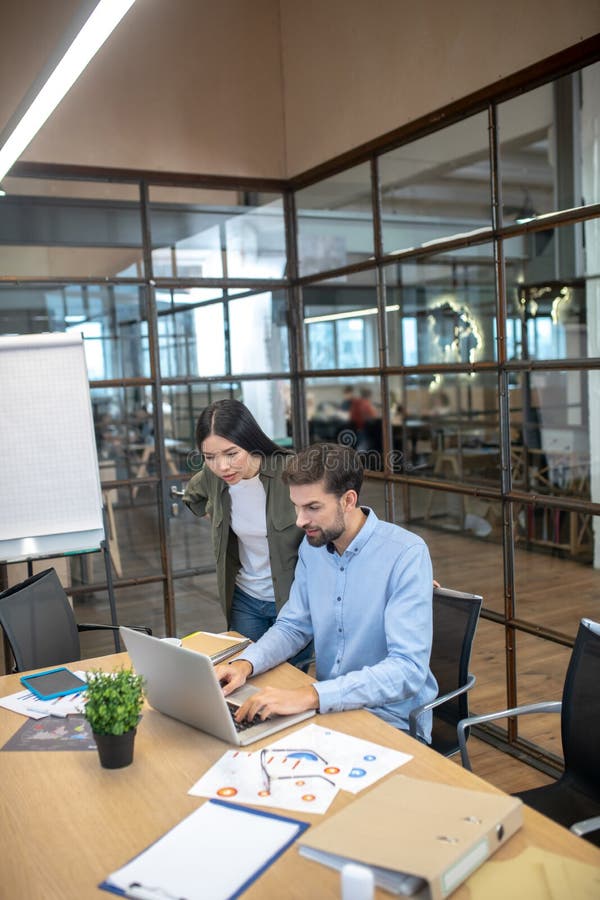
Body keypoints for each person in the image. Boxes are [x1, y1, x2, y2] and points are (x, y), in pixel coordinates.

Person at [215, 443, 438, 742]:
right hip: (330, 709)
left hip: (391, 721)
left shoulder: (406, 554)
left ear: (348, 500)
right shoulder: (313, 547)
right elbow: (294, 626)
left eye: (313, 507)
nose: (300, 521)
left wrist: (309, 696)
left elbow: (407, 671)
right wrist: (246, 663)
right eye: (296, 506)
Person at [183, 400, 305, 646]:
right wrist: (215, 512)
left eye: (231, 454)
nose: (222, 466)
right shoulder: (213, 477)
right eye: (210, 457)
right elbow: (191, 498)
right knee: (244, 675)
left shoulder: (291, 471)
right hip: (245, 601)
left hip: (293, 604)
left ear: (250, 442)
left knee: (288, 680)